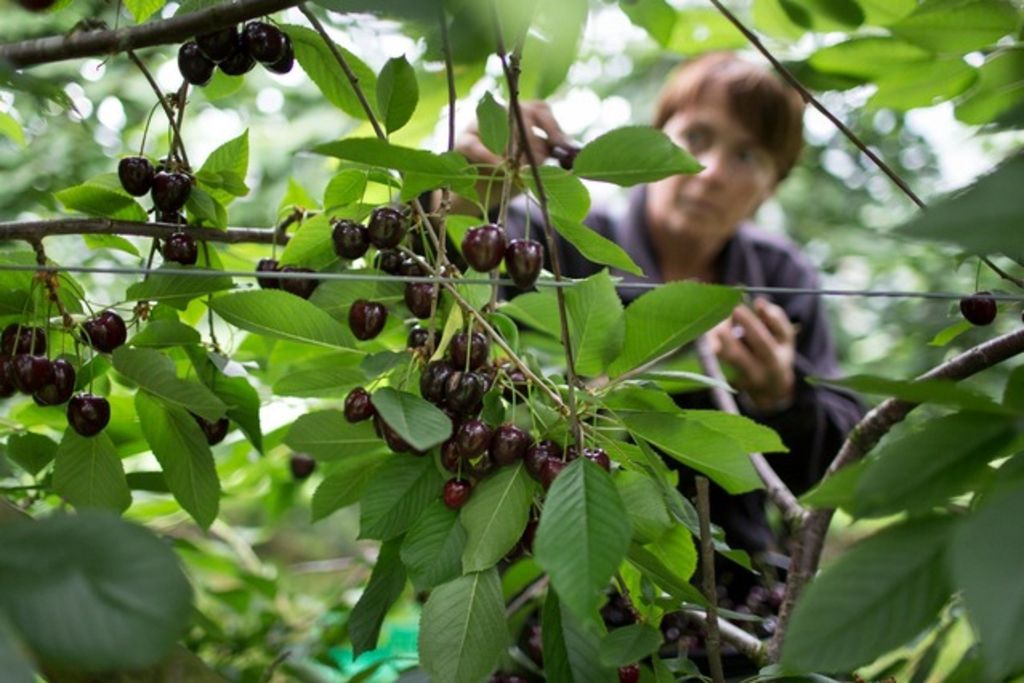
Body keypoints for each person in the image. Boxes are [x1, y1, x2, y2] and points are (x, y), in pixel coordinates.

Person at [453, 51, 863, 604]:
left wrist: (782, 396)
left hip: (727, 590)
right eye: (697, 137)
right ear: (654, 142)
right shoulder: (551, 240)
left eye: (746, 155)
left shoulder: (779, 278)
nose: (712, 170)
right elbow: (437, 308)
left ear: (771, 186)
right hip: (542, 573)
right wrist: (456, 199)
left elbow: (843, 447)